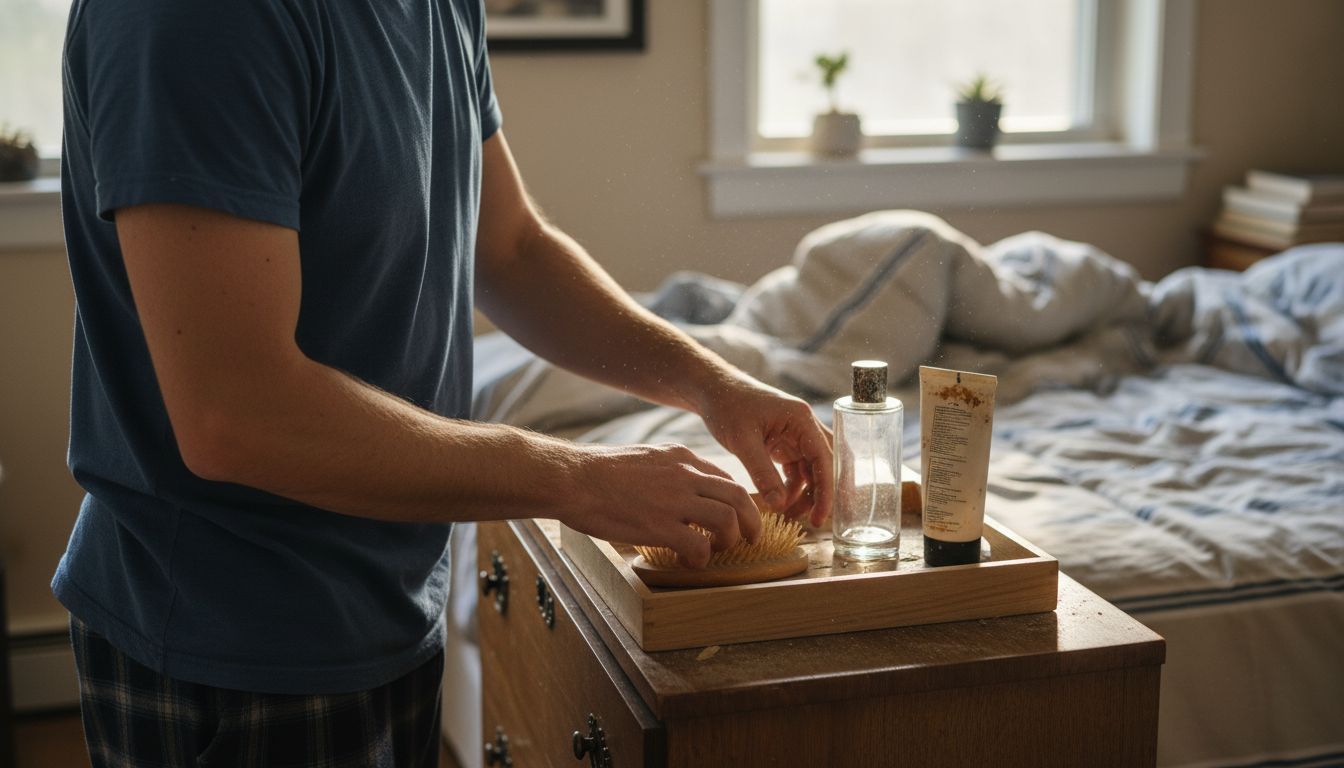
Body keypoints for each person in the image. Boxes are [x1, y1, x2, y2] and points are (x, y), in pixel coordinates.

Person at [52, 0, 833, 765]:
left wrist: (712, 382)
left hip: (386, 609)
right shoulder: (192, 19)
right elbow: (236, 413)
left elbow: (512, 249)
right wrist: (574, 478)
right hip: (227, 649)